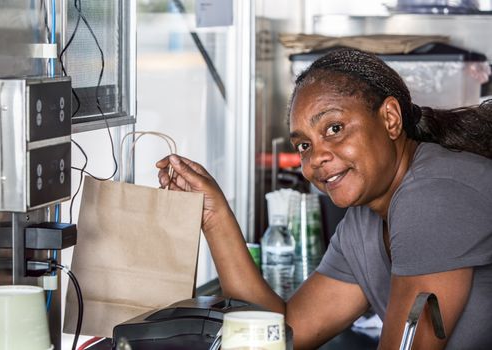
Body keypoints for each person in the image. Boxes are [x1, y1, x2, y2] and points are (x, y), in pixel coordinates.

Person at [156, 48, 492, 350]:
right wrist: (215, 218)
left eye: (334, 128)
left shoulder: (434, 194)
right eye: (304, 145)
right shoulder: (364, 222)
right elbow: (286, 332)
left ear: (390, 119)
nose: (316, 157)